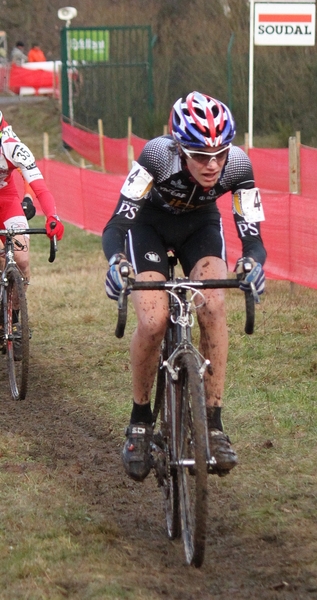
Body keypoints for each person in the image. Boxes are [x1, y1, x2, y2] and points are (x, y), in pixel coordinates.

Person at [102, 91, 266, 482]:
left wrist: (254, 263)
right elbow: (117, 225)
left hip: (199, 228)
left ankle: (213, 423)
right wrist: (116, 262)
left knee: (213, 306)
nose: (213, 166)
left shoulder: (238, 163)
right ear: (180, 148)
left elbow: (252, 236)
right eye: (200, 156)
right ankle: (140, 420)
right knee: (154, 320)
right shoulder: (157, 155)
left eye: (220, 154)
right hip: (149, 228)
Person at [0, 110, 64, 358]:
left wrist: (52, 217)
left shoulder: (12, 145)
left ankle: (15, 320)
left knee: (21, 260)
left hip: (7, 201)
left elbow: (40, 187)